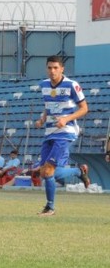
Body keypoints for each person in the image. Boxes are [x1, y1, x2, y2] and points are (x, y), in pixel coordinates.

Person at [34, 55, 90, 216]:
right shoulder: (44, 85)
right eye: (49, 68)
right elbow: (48, 106)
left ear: (62, 69)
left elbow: (84, 108)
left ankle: (50, 207)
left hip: (66, 132)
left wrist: (66, 119)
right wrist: (42, 119)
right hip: (50, 132)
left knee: (49, 170)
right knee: (45, 172)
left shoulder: (72, 85)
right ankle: (78, 172)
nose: (52, 71)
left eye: (55, 68)